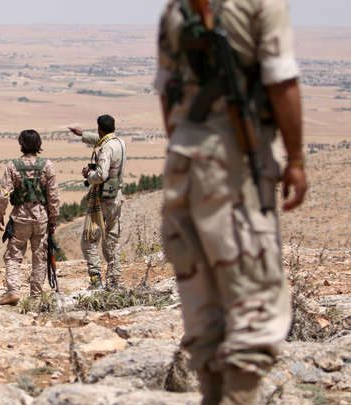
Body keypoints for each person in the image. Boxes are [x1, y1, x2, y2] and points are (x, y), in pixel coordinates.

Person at [156, 0, 308, 403]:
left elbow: (168, 93)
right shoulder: (261, 5)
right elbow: (281, 83)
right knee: (255, 304)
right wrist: (295, 159)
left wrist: (189, 147)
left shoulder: (176, 9)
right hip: (235, 163)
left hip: (182, 162)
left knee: (203, 304)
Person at [0, 129, 60, 305]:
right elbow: (53, 195)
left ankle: (13, 291)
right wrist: (53, 219)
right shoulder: (47, 165)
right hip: (41, 218)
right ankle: (36, 295)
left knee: (13, 255)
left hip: (20, 217)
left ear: (21, 144)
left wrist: (0, 214)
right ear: (39, 144)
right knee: (40, 257)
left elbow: (4, 194)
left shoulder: (12, 166)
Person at [69, 114, 126, 290]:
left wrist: (89, 174)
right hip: (116, 197)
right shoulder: (119, 142)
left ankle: (96, 280)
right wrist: (82, 134)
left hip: (102, 201)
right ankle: (114, 281)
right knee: (111, 240)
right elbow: (101, 140)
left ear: (100, 129)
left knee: (88, 241)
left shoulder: (106, 148)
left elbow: (101, 175)